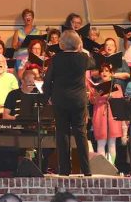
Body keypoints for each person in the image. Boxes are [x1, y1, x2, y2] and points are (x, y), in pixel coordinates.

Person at [42, 30, 94, 176]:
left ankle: (64, 170)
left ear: (62, 44)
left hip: (60, 100)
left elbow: (48, 80)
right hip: (78, 100)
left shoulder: (56, 59)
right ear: (78, 43)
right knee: (80, 133)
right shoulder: (83, 57)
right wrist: (81, 47)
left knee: (62, 133)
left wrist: (48, 97)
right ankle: (86, 170)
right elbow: (94, 62)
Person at [89, 64, 124, 164]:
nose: (104, 73)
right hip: (100, 115)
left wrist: (109, 94)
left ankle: (111, 166)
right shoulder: (96, 87)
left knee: (112, 143)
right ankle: (103, 167)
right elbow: (92, 101)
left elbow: (119, 98)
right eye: (102, 71)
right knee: (101, 142)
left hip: (112, 115)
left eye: (106, 71)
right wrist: (96, 95)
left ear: (111, 73)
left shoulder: (117, 86)